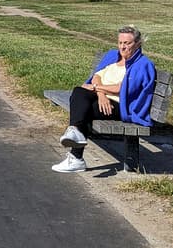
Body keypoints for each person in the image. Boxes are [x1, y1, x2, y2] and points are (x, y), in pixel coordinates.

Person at [52, 25, 157, 173]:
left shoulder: (143, 65)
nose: (123, 47)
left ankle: (76, 157)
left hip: (122, 106)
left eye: (127, 43)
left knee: (84, 108)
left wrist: (96, 89)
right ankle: (74, 133)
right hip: (103, 100)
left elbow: (123, 89)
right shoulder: (113, 57)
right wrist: (101, 95)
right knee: (79, 92)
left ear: (138, 43)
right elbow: (97, 76)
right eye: (120, 42)